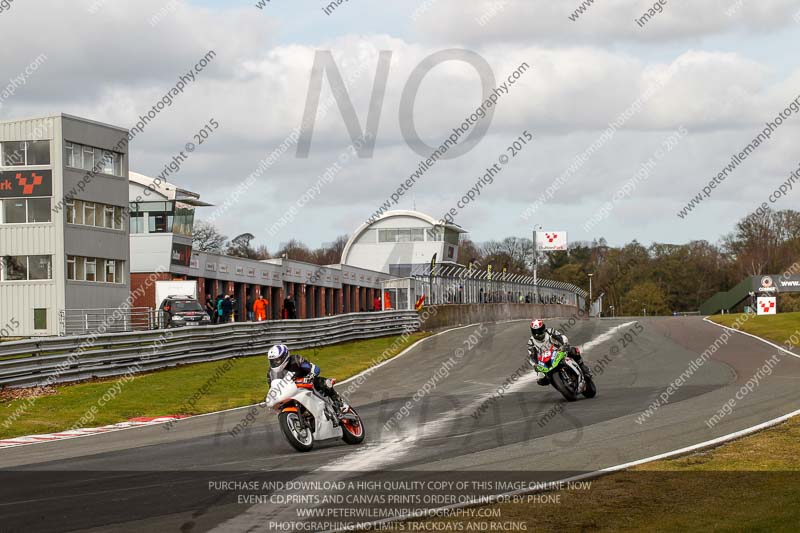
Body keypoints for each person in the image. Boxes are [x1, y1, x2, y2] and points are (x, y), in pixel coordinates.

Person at [267, 344, 347, 413]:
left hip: (307, 384)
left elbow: (314, 369)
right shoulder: (271, 373)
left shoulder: (296, 359)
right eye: (273, 361)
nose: (275, 363)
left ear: (284, 356)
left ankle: (340, 403)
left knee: (324, 383)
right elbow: (273, 388)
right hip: (290, 392)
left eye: (277, 360)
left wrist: (310, 376)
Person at [527, 319, 593, 386]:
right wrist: (535, 364)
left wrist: (564, 344)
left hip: (559, 351)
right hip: (545, 360)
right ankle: (556, 382)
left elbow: (561, 337)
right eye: (535, 331)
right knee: (541, 380)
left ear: (543, 328)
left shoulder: (550, 331)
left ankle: (583, 368)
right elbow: (532, 356)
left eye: (539, 331)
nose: (537, 334)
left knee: (573, 350)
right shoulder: (531, 342)